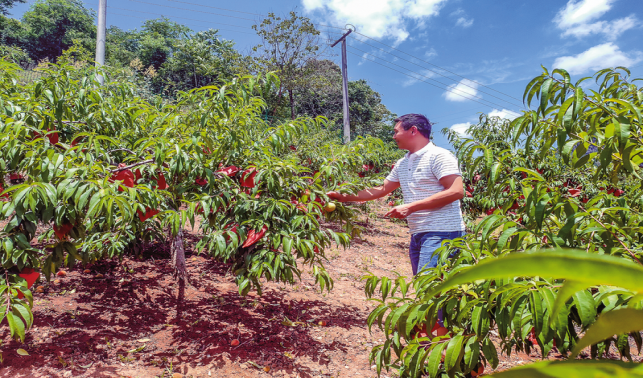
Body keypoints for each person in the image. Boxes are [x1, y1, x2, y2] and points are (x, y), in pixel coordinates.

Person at [327, 113, 466, 275]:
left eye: (396, 132)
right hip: (418, 233)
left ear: (413, 131)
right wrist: (341, 197)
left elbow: (456, 191)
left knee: (431, 288)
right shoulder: (403, 162)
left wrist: (411, 208)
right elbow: (382, 189)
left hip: (442, 232)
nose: (393, 137)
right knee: (424, 285)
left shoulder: (439, 156)